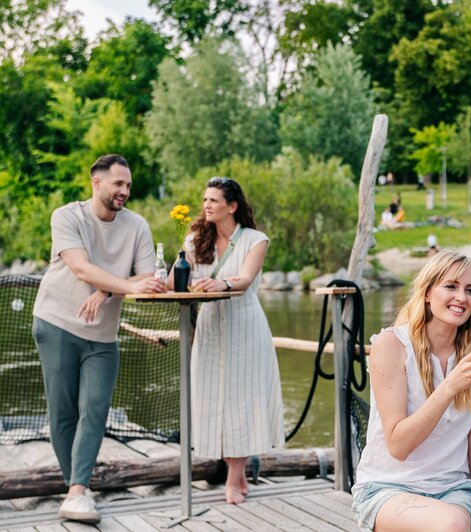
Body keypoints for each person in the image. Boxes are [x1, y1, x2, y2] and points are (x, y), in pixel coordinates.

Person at [32, 154, 167, 524]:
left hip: (103, 334)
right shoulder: (67, 216)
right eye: (118, 183)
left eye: (128, 185)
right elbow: (79, 267)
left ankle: (77, 492)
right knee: (63, 413)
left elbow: (148, 280)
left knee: (95, 410)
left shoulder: (137, 225)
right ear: (96, 182)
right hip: (57, 322)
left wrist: (105, 293)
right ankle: (77, 488)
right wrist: (119, 284)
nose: (124, 190)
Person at [351, 250, 471, 532]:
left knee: (454, 521)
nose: (462, 298)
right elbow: (398, 446)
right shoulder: (391, 345)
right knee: (452, 525)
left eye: (470, 290)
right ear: (428, 293)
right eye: (451, 286)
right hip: (388, 488)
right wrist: (450, 386)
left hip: (453, 490)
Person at [180, 176, 284, 504]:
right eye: (204, 200)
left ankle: (234, 476)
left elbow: (246, 278)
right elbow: (178, 278)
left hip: (245, 327)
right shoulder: (195, 239)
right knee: (212, 398)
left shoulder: (256, 239)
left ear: (232, 206)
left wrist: (221, 284)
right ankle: (233, 470)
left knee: (240, 399)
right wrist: (166, 275)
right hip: (210, 328)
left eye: (213, 200)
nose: (206, 205)